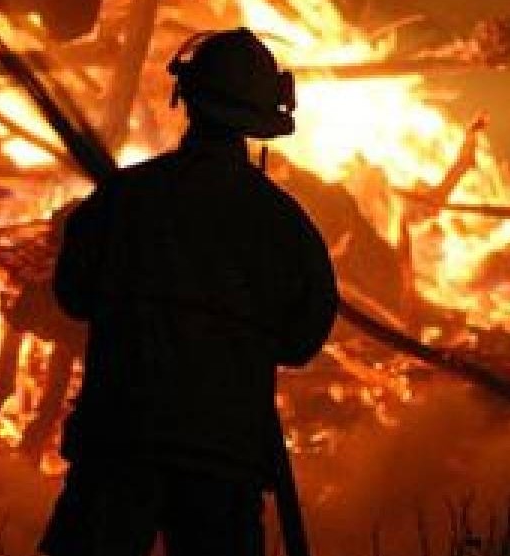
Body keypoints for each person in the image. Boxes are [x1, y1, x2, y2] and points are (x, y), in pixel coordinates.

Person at [39, 28, 339, 556]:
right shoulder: (284, 226)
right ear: (261, 120)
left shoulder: (125, 198)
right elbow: (301, 342)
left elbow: (73, 296)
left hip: (120, 443)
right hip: (223, 462)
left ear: (187, 98)